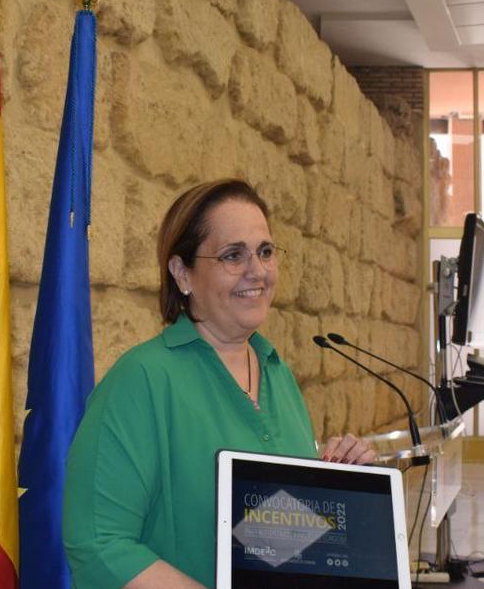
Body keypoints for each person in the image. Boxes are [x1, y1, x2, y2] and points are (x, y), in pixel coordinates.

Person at [63, 179, 375, 588]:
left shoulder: (277, 374)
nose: (258, 271)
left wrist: (340, 484)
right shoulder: (142, 379)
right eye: (233, 255)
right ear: (182, 273)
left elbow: (270, 542)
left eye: (265, 252)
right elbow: (97, 543)